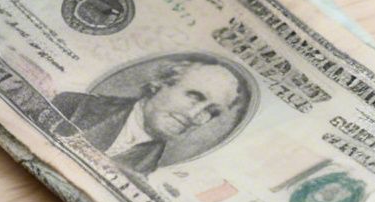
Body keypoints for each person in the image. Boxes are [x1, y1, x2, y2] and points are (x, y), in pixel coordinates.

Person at [54, 58, 247, 175]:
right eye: (194, 97)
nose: (195, 115)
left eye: (211, 112)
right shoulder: (74, 105)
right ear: (160, 84)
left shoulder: (151, 170)